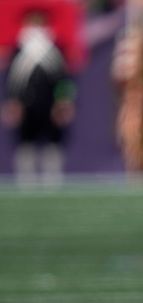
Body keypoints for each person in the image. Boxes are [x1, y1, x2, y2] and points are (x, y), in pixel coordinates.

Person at [1, 10, 76, 185]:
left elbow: (64, 79)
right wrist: (13, 102)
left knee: (53, 142)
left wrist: (63, 101)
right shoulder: (18, 50)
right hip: (27, 104)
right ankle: (26, 180)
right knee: (26, 142)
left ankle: (53, 180)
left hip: (50, 105)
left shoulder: (56, 50)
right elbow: (11, 79)